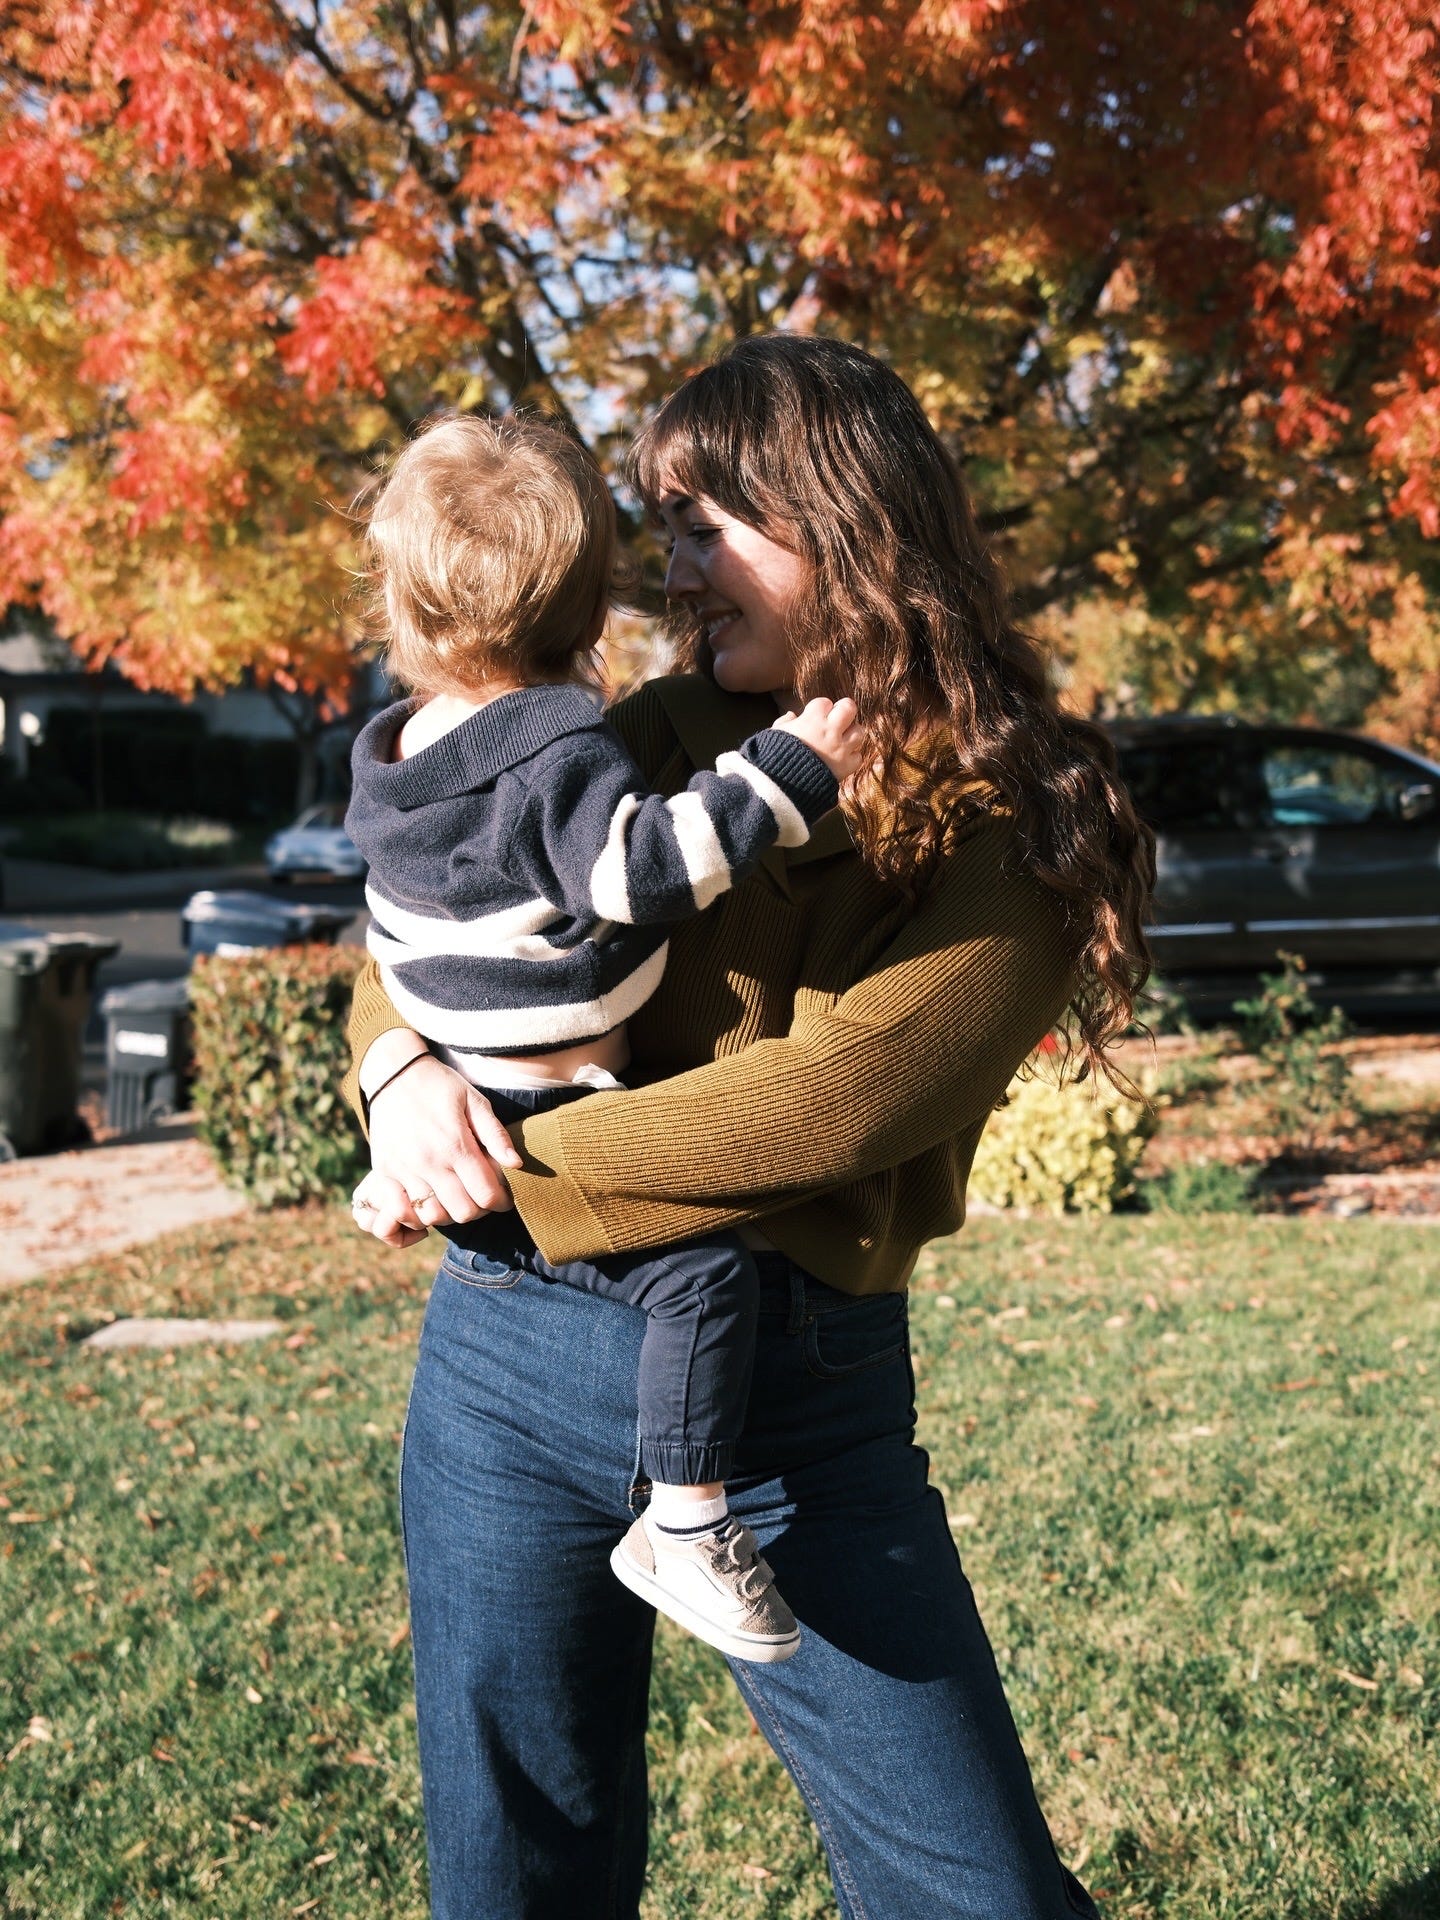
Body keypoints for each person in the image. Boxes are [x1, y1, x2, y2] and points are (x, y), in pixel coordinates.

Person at [345, 334, 1154, 1920]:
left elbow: (836, 1101)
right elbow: (427, 918)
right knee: (513, 1865)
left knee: (970, 1892)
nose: (670, 574)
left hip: (785, 1405)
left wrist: (500, 1157)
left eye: (707, 527)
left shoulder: (1027, 811)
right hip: (503, 1362)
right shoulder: (639, 737)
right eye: (663, 532)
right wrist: (399, 1075)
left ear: (841, 524)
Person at [345, 411, 866, 1662]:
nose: (680, 575)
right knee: (703, 1279)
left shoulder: (399, 747)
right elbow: (638, 872)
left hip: (469, 1066)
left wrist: (409, 1068)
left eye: (706, 533)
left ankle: (418, 1183)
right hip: (548, 1103)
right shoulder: (556, 744)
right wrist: (782, 780)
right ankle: (686, 1519)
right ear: (587, 615)